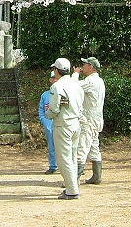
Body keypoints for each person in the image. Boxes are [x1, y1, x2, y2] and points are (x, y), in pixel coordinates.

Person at [46, 57, 84, 200]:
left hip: (63, 124)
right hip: (76, 123)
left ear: (56, 70)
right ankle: (72, 186)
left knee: (64, 159)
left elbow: (54, 109)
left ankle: (72, 190)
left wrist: (47, 114)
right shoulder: (76, 84)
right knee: (72, 157)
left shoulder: (57, 87)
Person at [72, 56, 106, 184]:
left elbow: (73, 87)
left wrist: (75, 74)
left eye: (85, 65)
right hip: (96, 118)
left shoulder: (91, 81)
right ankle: (97, 177)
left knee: (82, 147)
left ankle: (74, 180)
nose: (83, 67)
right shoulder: (99, 81)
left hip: (89, 119)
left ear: (91, 67)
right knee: (94, 147)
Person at [39, 71, 57, 174]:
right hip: (49, 124)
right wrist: (44, 121)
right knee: (51, 146)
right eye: (53, 78)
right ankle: (53, 166)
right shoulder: (45, 95)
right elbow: (41, 110)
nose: (55, 80)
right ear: (50, 80)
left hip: (62, 124)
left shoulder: (64, 92)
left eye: (56, 78)